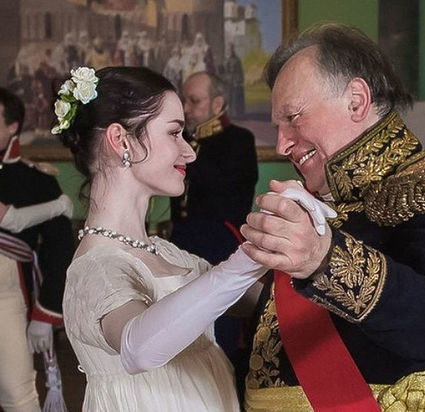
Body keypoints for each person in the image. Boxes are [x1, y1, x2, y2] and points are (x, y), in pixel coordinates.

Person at [240, 23, 425, 411]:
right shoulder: (318, 199)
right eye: (278, 126)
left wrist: (325, 260)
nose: (282, 144)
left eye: (293, 117)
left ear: (356, 101)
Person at [55, 66, 331, 411]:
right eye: (174, 133)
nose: (190, 153)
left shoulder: (172, 256)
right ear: (121, 140)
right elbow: (138, 348)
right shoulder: (96, 267)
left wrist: (303, 225)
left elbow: (272, 304)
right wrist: (248, 256)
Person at [170, 70, 258, 396]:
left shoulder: (239, 140)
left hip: (220, 246)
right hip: (181, 243)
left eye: (194, 101)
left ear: (217, 104)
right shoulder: (186, 139)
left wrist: (184, 149)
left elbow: (221, 187)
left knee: (220, 334)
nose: (185, 108)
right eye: (184, 100)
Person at [0, 87, 74, 411]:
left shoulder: (36, 179)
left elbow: (60, 250)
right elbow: (11, 220)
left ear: (12, 126)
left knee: (18, 397)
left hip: (5, 298)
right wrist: (58, 206)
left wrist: (45, 312)